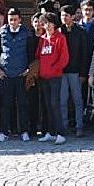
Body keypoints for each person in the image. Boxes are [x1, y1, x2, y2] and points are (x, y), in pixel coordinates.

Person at [0, 8, 33, 142]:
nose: (13, 22)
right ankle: (4, 132)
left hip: (21, 75)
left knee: (22, 104)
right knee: (5, 105)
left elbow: (30, 52)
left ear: (20, 19)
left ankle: (24, 131)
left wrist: (28, 69)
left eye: (15, 19)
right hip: (5, 74)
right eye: (11, 19)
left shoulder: (26, 33)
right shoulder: (2, 32)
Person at [36, 12, 70, 144]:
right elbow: (38, 55)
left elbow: (64, 58)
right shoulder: (42, 39)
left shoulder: (60, 38)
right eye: (45, 23)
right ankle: (50, 132)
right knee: (47, 105)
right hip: (43, 77)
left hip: (55, 76)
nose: (48, 26)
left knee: (55, 104)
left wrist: (54, 68)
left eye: (50, 23)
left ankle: (61, 133)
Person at [59, 5, 88, 137]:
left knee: (78, 100)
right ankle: (63, 125)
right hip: (61, 71)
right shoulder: (59, 31)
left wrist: (83, 73)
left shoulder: (81, 32)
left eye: (66, 15)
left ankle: (79, 126)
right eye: (62, 15)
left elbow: (84, 54)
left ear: (72, 17)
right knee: (62, 100)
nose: (64, 18)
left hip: (76, 71)